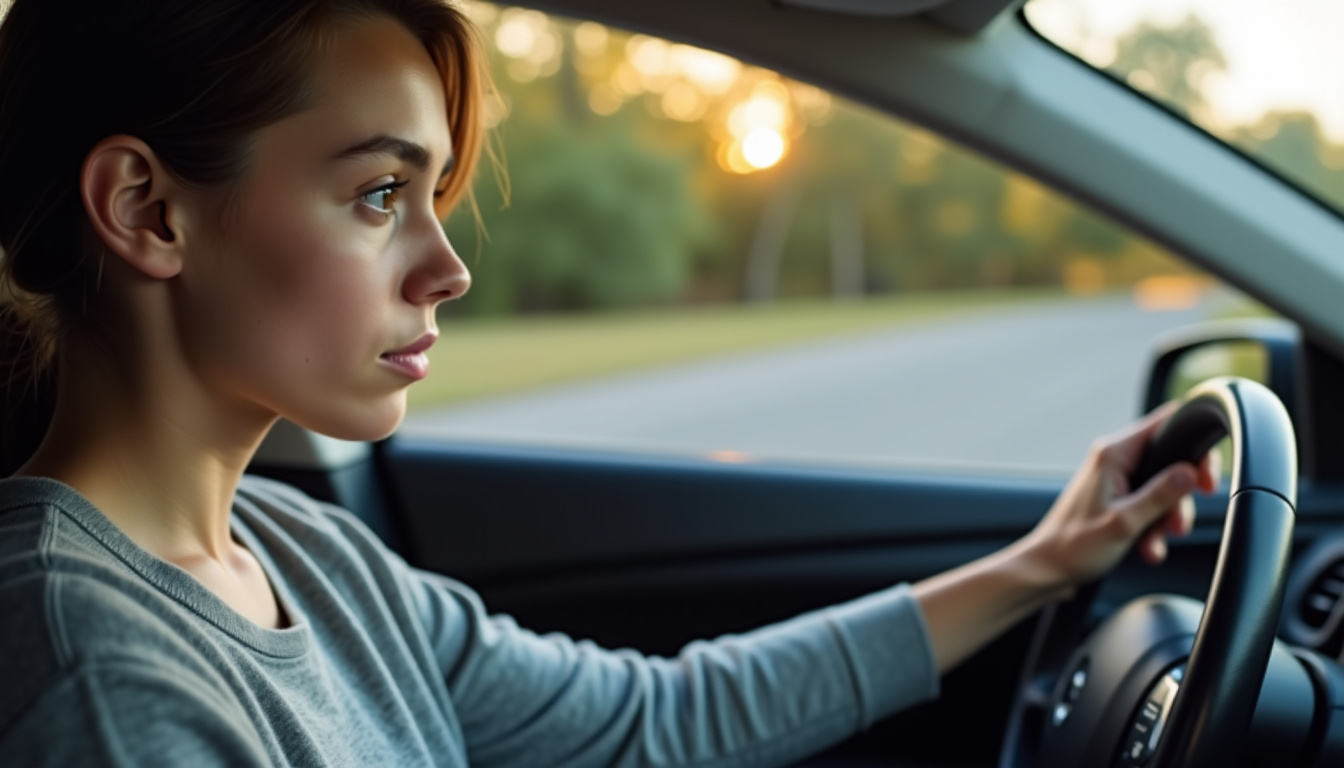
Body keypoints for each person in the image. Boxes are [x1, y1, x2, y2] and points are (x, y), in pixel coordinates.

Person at [0, 0, 1216, 765]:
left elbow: (658, 722)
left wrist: (1043, 562)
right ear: (146, 210)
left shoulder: (304, 555)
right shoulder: (102, 687)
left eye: (437, 199)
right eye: (380, 195)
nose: (448, 267)